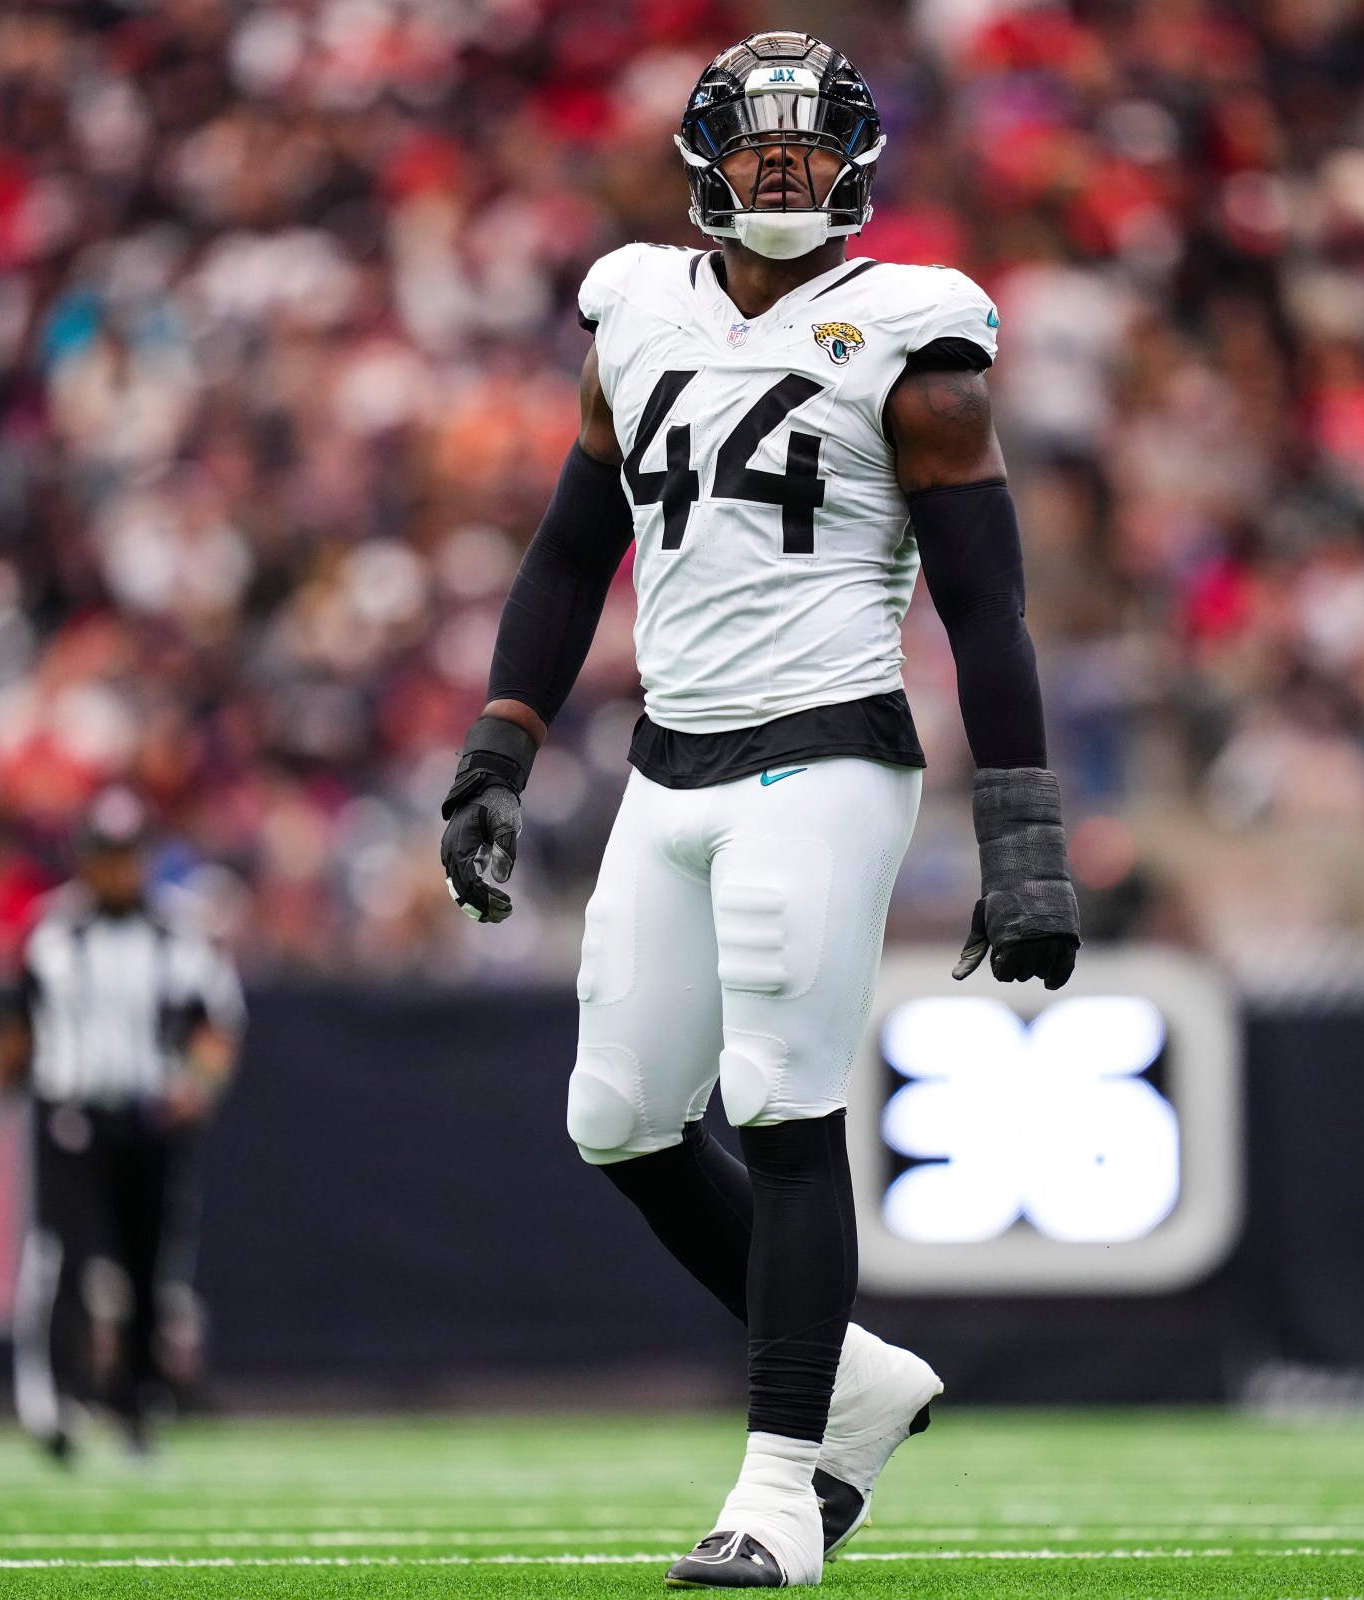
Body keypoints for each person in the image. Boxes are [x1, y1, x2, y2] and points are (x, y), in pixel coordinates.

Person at [438, 32, 1079, 1589]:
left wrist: (1023, 833)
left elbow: (988, 611)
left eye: (807, 150)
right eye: (757, 148)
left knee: (787, 1107)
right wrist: (497, 749)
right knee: (616, 1116)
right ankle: (853, 1376)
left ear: (855, 164)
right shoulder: (637, 311)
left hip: (830, 752)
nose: (779, 174)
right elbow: (569, 550)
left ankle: (781, 1488)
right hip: (672, 757)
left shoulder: (915, 341)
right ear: (705, 162)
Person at [0, 787, 244, 1460]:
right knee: (59, 1258)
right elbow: (16, 1027)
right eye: (105, 856)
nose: (116, 871)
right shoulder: (52, 932)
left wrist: (199, 1087)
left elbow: (216, 1026)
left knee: (149, 1268)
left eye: (126, 856)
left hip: (149, 1116)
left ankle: (136, 1404)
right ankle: (56, 1405)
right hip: (71, 1111)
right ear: (85, 860)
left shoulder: (179, 935)